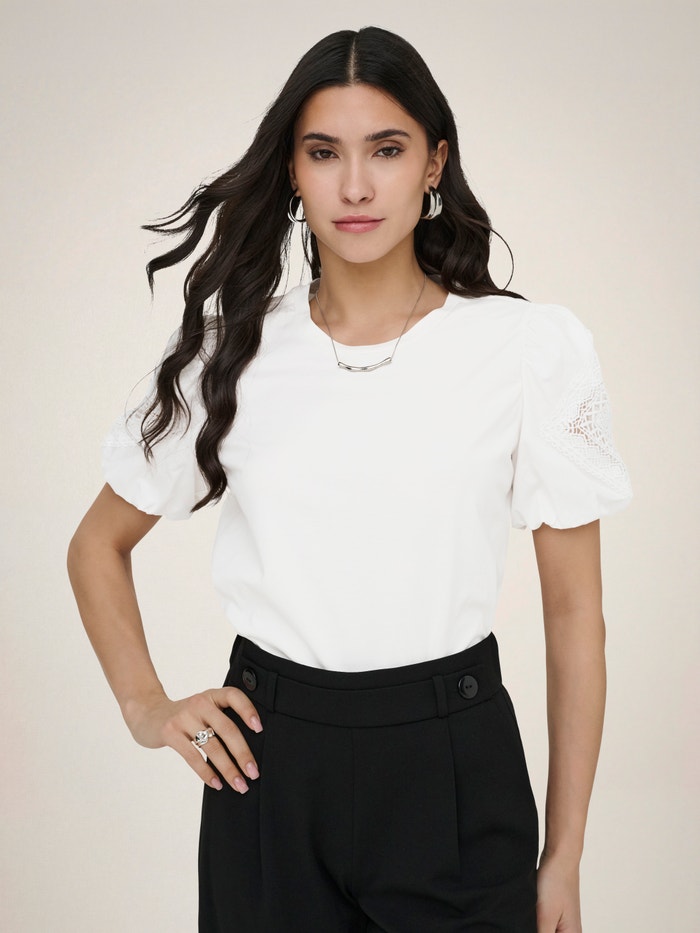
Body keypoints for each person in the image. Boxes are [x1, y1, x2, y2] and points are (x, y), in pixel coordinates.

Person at [67, 26, 632, 933]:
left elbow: (574, 614)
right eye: (325, 152)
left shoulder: (527, 349)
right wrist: (146, 706)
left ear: (434, 163)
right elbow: (98, 543)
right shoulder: (233, 350)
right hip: (268, 770)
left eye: (388, 150)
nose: (357, 186)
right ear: (293, 171)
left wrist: (564, 855)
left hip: (455, 768)